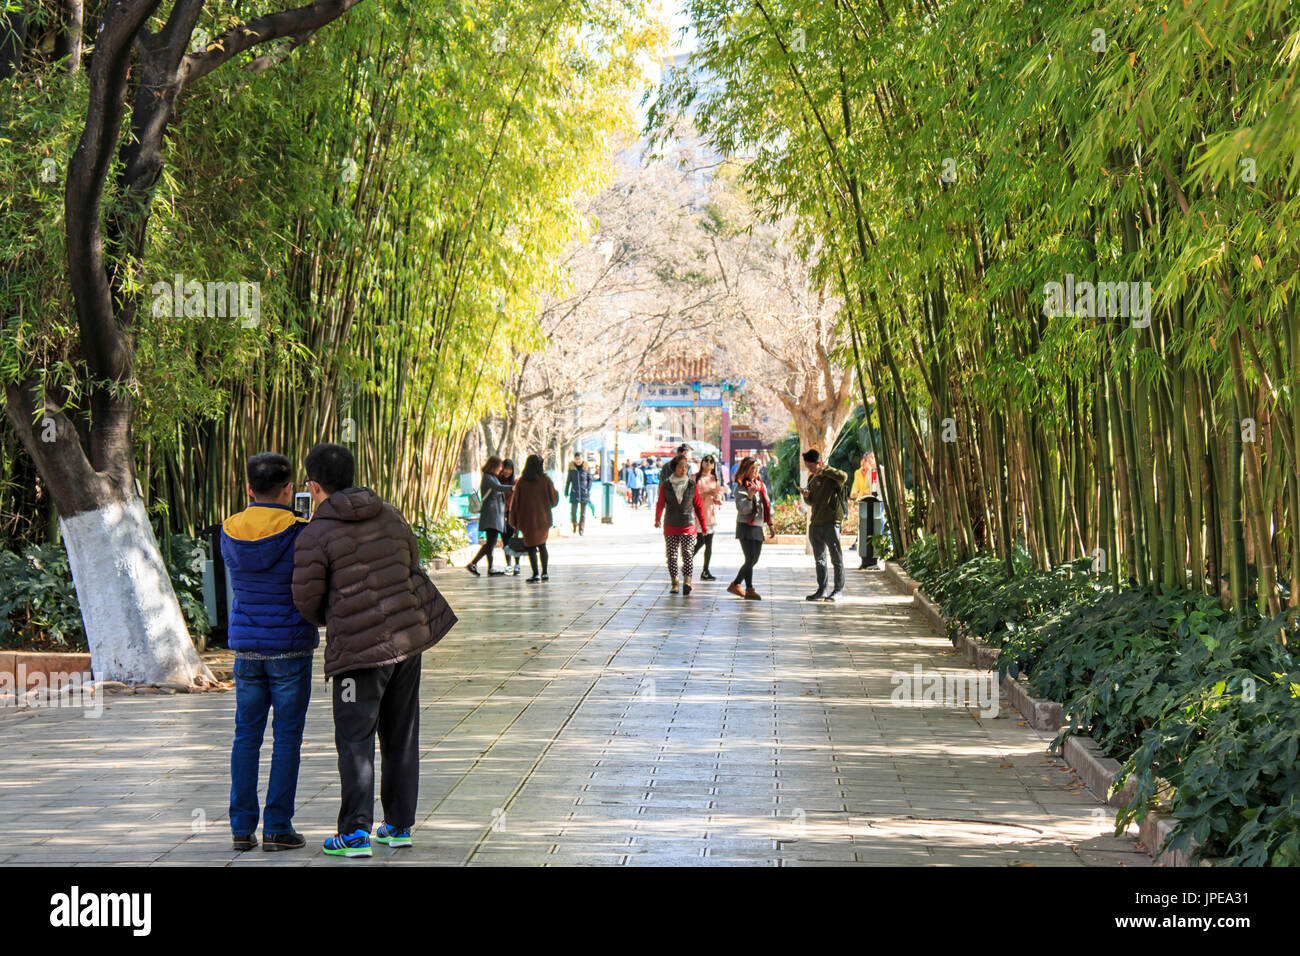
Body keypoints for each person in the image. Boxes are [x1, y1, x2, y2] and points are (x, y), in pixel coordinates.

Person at [292, 443, 457, 858]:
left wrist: (337, 617)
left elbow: (307, 599)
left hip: (358, 654)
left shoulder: (317, 532)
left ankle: (353, 834)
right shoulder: (392, 514)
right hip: (407, 640)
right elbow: (411, 565)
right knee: (401, 734)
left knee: (354, 738)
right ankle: (398, 826)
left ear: (313, 485)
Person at [221, 453, 318, 853]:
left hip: (247, 650)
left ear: (248, 488)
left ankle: (241, 828)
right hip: (290, 648)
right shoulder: (299, 531)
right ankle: (277, 828)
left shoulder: (230, 530)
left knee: (246, 736)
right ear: (287, 489)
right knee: (286, 739)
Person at [654, 453, 708, 595]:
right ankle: (675, 582)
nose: (683, 470)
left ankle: (687, 582)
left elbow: (698, 506)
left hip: (688, 524)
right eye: (680, 467)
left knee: (688, 554)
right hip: (671, 525)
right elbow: (660, 503)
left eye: (685, 467)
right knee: (671, 555)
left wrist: (703, 525)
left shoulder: (691, 485)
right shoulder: (666, 485)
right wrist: (657, 518)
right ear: (674, 468)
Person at [800, 448, 848, 601]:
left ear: (819, 463)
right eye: (808, 467)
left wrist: (825, 470)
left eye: (812, 467)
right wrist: (806, 497)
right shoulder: (811, 479)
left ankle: (838, 590)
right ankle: (822, 589)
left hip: (831, 522)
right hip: (816, 523)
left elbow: (844, 476)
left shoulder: (832, 476)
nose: (810, 470)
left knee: (836, 558)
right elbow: (812, 501)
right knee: (819, 560)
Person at [727, 456, 774, 600]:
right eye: (752, 468)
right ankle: (749, 589)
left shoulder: (760, 485)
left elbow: (766, 506)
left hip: (758, 525)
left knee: (754, 559)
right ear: (745, 470)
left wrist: (770, 524)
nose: (755, 471)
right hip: (745, 525)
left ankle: (736, 584)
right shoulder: (741, 487)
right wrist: (749, 497)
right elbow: (743, 510)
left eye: (757, 468)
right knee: (749, 558)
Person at [509, 454, 560, 582]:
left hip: (527, 520)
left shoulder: (521, 482)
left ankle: (536, 574)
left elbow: (515, 503)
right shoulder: (546, 480)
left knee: (531, 546)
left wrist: (513, 520)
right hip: (543, 519)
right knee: (542, 545)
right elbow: (554, 500)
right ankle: (545, 573)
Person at [466, 456, 510, 576]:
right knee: (491, 543)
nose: (501, 469)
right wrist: (513, 488)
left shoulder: (492, 477)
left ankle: (491, 568)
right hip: (491, 515)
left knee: (491, 543)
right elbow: (498, 488)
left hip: (494, 515)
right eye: (499, 466)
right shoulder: (487, 477)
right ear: (494, 466)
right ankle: (473, 563)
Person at [692, 454, 726, 581]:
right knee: (700, 540)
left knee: (708, 544)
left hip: (711, 515)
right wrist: (705, 494)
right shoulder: (695, 478)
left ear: (714, 465)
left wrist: (717, 497)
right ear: (702, 462)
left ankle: (705, 570)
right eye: (706, 460)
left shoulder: (714, 479)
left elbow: (720, 499)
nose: (708, 463)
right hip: (698, 515)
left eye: (711, 461)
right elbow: (690, 496)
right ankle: (687, 561)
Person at [498, 459, 522, 575]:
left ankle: (517, 564)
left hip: (514, 514)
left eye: (509, 469)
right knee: (505, 540)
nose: (507, 471)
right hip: (501, 514)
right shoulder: (497, 482)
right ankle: (508, 565)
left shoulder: (516, 482)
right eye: (505, 468)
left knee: (515, 540)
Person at [564, 455, 592, 535]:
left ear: (582, 458)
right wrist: (566, 492)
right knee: (573, 511)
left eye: (579, 459)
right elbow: (568, 481)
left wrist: (587, 489)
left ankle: (581, 529)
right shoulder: (572, 468)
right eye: (576, 459)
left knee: (583, 513)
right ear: (574, 459)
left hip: (584, 493)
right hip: (574, 492)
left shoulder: (586, 468)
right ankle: (574, 524)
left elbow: (590, 479)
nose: (578, 460)